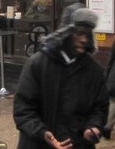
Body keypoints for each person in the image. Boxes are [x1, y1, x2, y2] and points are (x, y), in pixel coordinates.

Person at [13, 8, 108, 148]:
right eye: (79, 33)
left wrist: (93, 127)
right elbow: (23, 109)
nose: (84, 40)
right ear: (66, 33)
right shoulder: (37, 64)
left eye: (87, 35)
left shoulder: (94, 70)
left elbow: (100, 107)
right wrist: (43, 133)